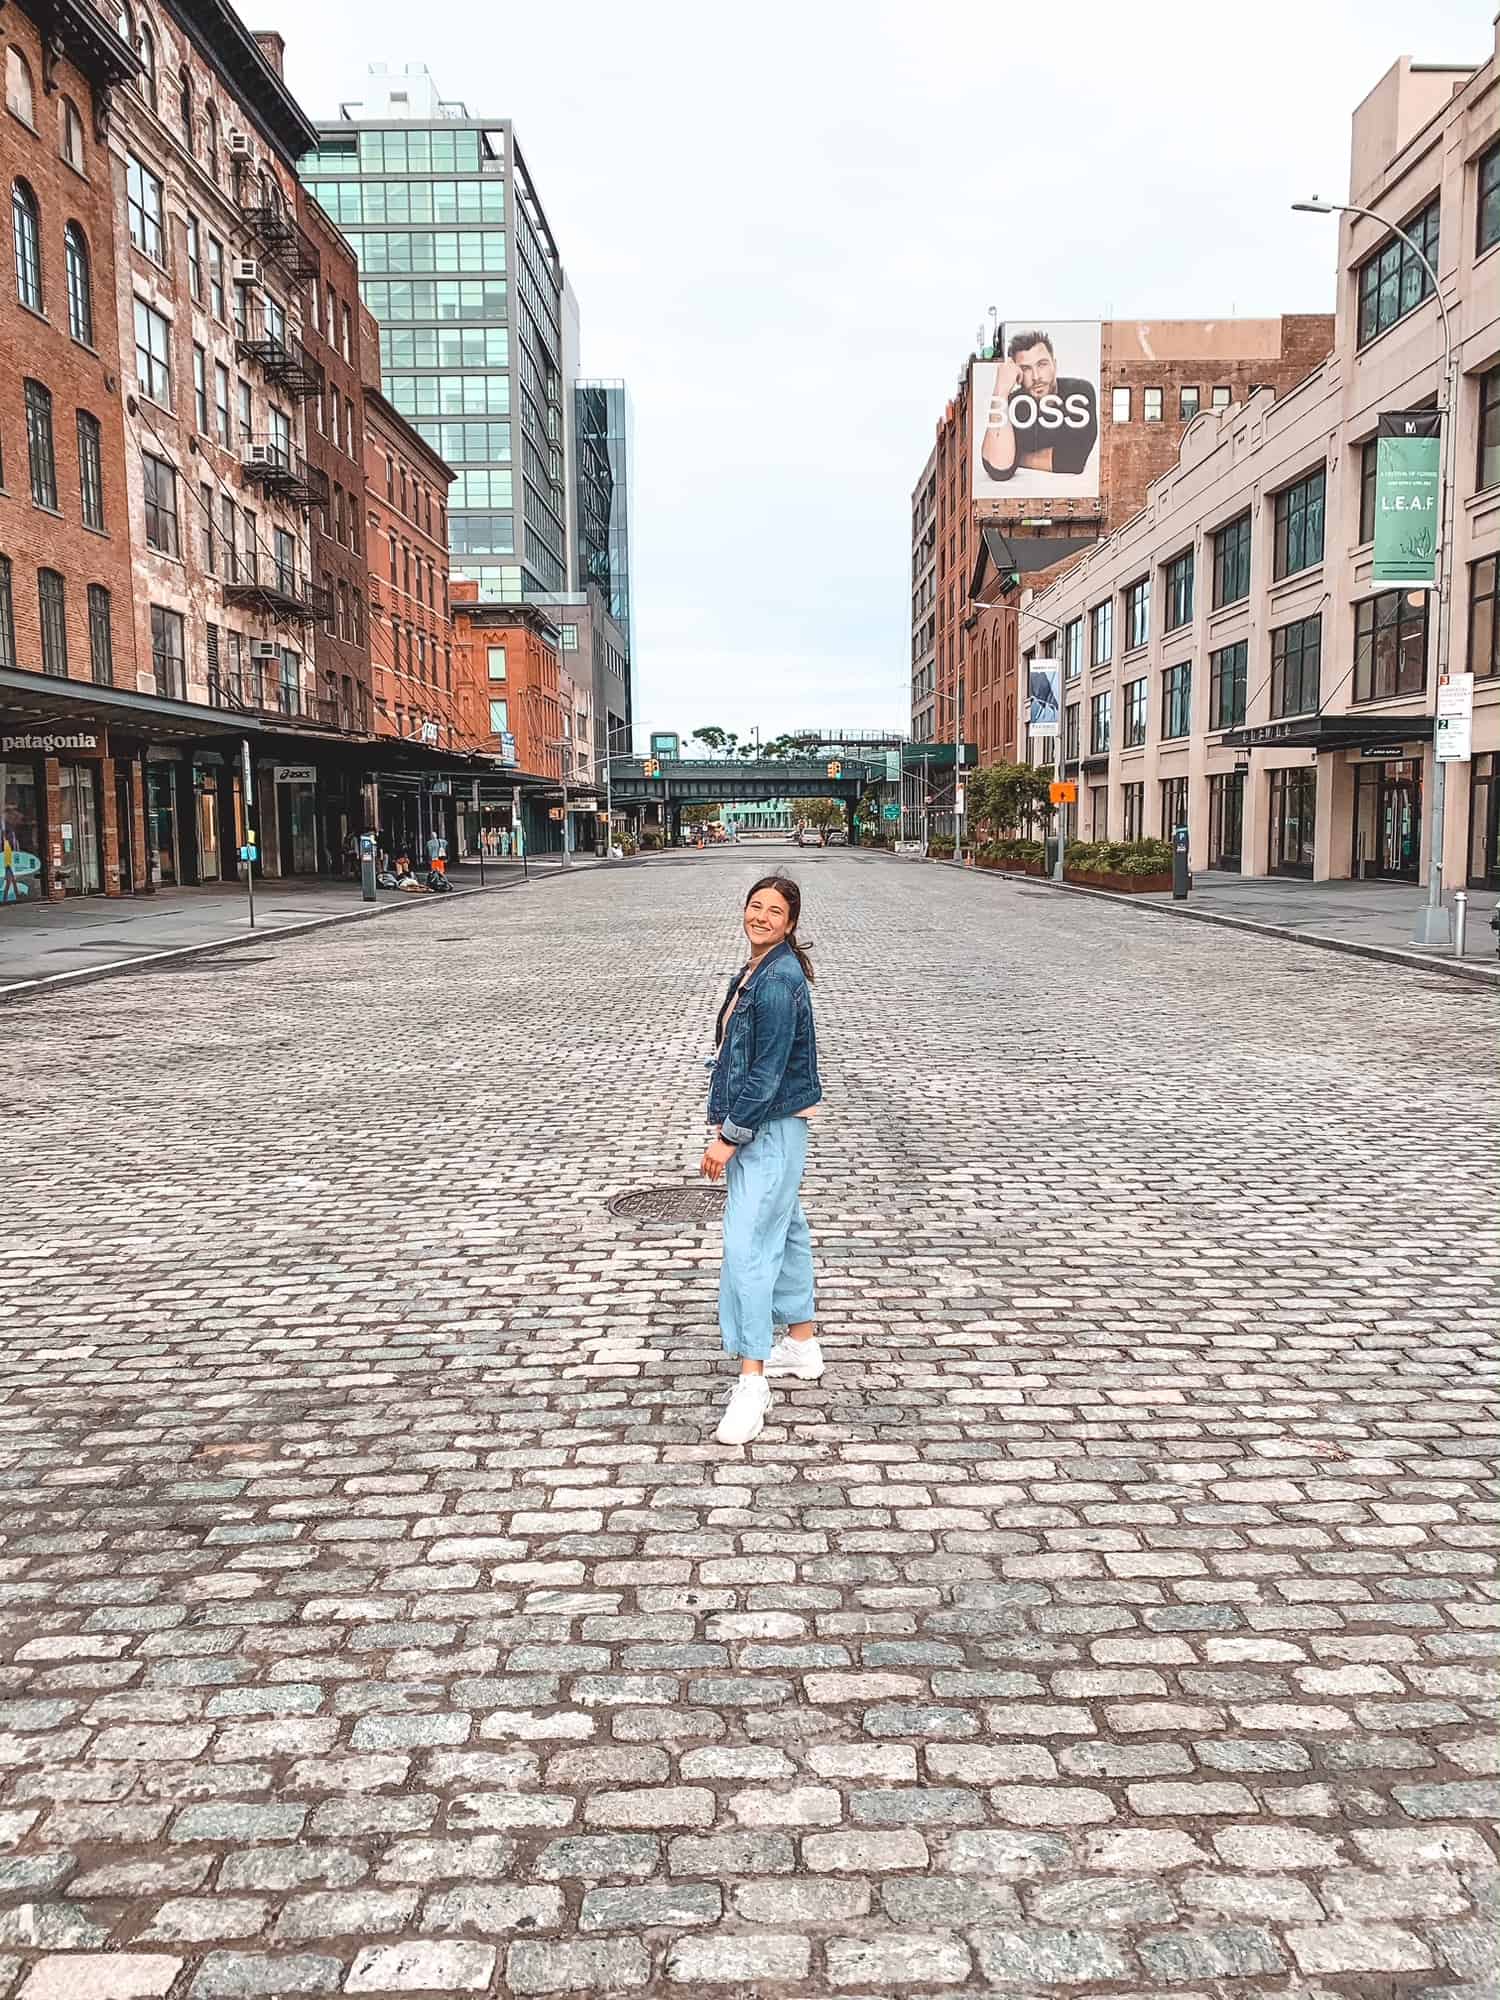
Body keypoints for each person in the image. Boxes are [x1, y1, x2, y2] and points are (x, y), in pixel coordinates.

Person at [701, 875, 824, 1445]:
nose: (762, 917)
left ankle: (752, 1382)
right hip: (776, 1127)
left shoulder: (776, 980)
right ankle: (801, 1343)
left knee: (746, 1247)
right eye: (756, 906)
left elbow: (767, 1071)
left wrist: (729, 1136)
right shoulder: (760, 969)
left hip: (767, 1128)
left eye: (775, 911)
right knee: (788, 1229)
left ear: (790, 923)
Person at [979, 327, 1099, 484]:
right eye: (1026, 369)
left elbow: (1073, 461)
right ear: (1018, 375)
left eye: (1042, 364)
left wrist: (1018, 457)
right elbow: (999, 469)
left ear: (1054, 365)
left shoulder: (1078, 392)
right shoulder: (1013, 404)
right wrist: (1000, 390)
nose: (1036, 377)